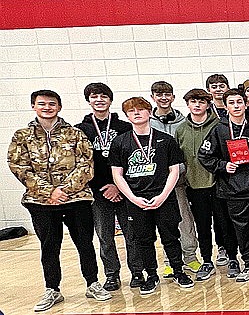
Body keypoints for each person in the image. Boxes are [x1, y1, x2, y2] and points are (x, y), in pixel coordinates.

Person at [9, 90, 112, 311]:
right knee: (50, 246)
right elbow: (19, 167)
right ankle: (52, 289)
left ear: (59, 107)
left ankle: (93, 283)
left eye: (52, 104)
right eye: (42, 104)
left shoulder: (75, 133)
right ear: (33, 106)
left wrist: (64, 190)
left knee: (85, 243)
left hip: (77, 199)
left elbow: (86, 164)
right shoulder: (22, 136)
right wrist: (49, 192)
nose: (47, 107)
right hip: (41, 202)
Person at [109, 97, 195, 294]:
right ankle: (152, 275)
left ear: (149, 112)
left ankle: (178, 271)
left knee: (171, 237)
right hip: (136, 200)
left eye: (141, 109)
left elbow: (174, 170)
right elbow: (117, 174)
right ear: (127, 116)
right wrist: (133, 198)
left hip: (164, 197)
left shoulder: (166, 140)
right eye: (132, 111)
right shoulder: (120, 142)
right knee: (143, 239)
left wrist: (163, 195)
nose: (137, 113)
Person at [198, 90, 249, 282]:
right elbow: (204, 155)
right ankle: (248, 262)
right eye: (231, 102)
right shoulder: (219, 130)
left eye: (240, 102)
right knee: (242, 229)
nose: (237, 106)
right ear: (226, 106)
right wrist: (223, 166)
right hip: (232, 189)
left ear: (246, 104)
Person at [75, 83, 137, 292]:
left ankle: (137, 271)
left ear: (110, 100)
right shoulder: (81, 130)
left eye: (104, 96)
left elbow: (133, 159)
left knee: (132, 234)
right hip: (98, 192)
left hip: (125, 189)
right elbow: (81, 163)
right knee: (105, 236)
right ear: (88, 100)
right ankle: (111, 275)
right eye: (94, 96)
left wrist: (118, 185)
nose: (99, 100)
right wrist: (103, 186)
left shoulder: (125, 128)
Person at [175, 89, 241, 280]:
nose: (197, 105)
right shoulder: (181, 130)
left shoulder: (220, 126)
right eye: (193, 102)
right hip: (195, 186)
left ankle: (232, 258)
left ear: (208, 104)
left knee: (225, 224)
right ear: (187, 104)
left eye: (201, 102)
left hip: (219, 184)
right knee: (202, 226)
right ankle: (206, 260)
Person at [148, 81, 203, 279]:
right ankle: (170, 261)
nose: (163, 98)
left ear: (172, 97)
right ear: (153, 97)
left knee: (185, 221)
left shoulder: (183, 121)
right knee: (165, 224)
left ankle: (190, 257)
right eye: (159, 94)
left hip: (182, 181)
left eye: (167, 94)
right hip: (158, 184)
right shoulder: (147, 123)